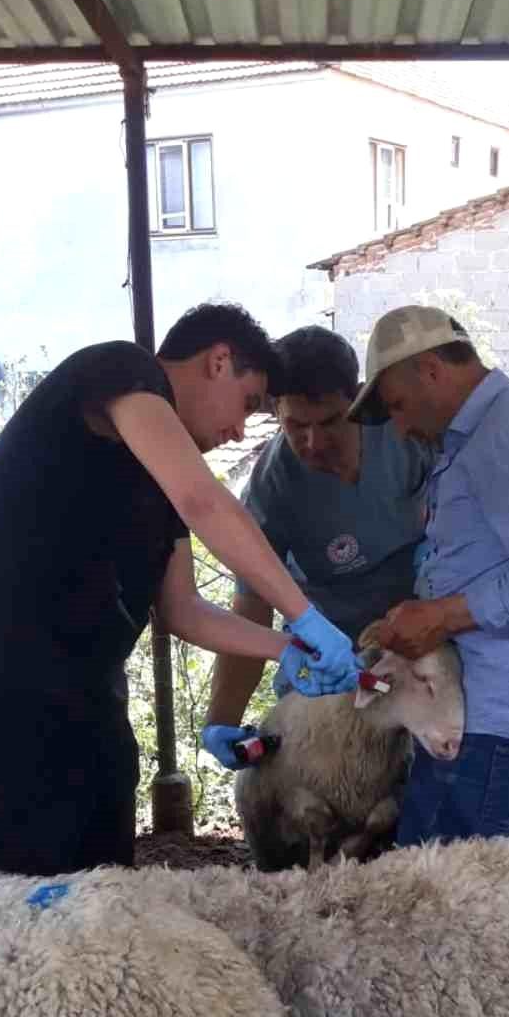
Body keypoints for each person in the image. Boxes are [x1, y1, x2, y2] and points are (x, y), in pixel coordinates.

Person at [0, 304, 360, 876]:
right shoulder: (119, 370)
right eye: (248, 404)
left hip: (90, 692)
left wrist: (285, 646)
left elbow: (184, 611)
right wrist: (304, 613)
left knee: (105, 877)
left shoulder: (159, 479)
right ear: (218, 361)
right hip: (11, 686)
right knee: (23, 880)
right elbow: (205, 500)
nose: (239, 430)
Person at [348, 303, 509, 845]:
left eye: (396, 406)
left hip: (500, 729)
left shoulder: (506, 437)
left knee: (447, 907)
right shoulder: (483, 434)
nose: (399, 426)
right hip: (498, 716)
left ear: (432, 371)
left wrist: (441, 616)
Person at [202, 325, 432, 767]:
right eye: (296, 426)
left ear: (361, 400)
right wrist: (222, 719)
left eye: (331, 422)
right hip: (332, 670)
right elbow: (251, 605)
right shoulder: (273, 486)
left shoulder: (407, 438)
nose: (313, 442)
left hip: (420, 642)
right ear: (275, 412)